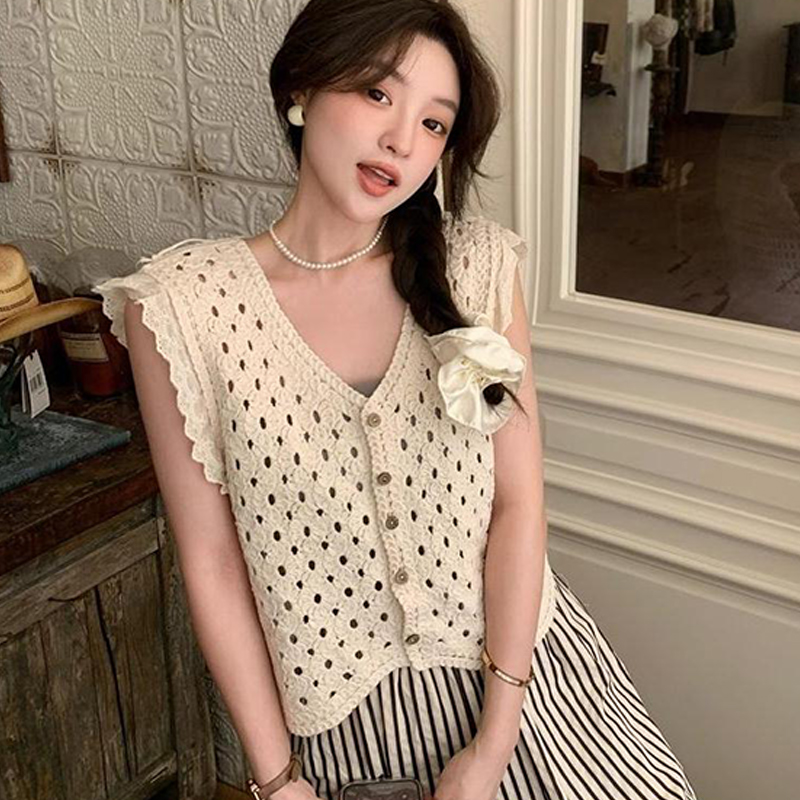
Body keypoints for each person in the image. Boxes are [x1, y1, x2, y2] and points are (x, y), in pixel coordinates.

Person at [92, 1, 699, 799]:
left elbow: (519, 505)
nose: (402, 142)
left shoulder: (478, 269)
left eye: (434, 123)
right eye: (378, 93)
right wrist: (276, 783)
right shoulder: (182, 306)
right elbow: (212, 562)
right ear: (302, 88)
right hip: (347, 738)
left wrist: (493, 748)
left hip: (528, 693)